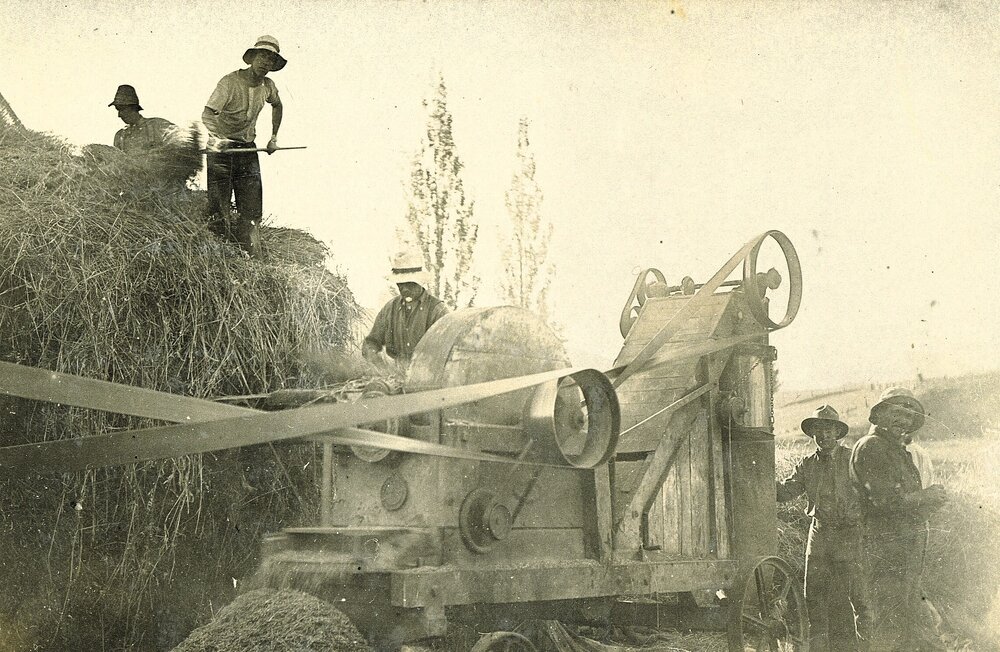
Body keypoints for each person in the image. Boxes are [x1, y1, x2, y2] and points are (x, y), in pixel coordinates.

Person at [850, 387, 948, 651]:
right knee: (889, 622)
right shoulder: (872, 447)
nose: (903, 421)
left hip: (906, 549)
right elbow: (885, 502)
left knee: (910, 620)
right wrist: (926, 496)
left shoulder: (897, 451)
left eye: (909, 417)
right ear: (880, 415)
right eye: (897, 413)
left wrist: (931, 503)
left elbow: (908, 503)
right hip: (886, 549)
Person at [777, 405, 871, 651]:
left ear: (837, 433)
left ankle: (863, 646)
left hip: (850, 534)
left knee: (856, 597)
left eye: (829, 431)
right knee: (814, 597)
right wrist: (760, 482)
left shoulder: (854, 460)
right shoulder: (807, 465)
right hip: (819, 534)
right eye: (819, 431)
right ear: (813, 435)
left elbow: (870, 493)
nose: (824, 436)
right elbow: (787, 491)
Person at [201, 35, 286, 256]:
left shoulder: (268, 86)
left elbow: (278, 106)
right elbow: (208, 114)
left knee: (251, 209)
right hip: (221, 150)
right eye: (262, 56)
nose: (265, 63)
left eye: (271, 59)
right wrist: (217, 138)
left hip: (247, 149)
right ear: (252, 58)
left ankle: (252, 258)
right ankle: (220, 258)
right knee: (219, 208)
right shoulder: (229, 82)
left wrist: (274, 137)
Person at [362, 250, 448, 372]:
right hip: (398, 377)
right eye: (400, 284)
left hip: (428, 380)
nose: (404, 289)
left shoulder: (437, 311)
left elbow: (446, 351)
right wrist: (383, 370)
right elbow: (370, 344)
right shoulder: (390, 309)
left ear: (420, 282)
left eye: (410, 283)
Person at [108, 85, 175, 154]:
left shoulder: (157, 125)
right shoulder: (120, 136)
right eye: (118, 110)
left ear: (133, 107)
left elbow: (181, 140)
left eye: (122, 109)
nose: (119, 115)